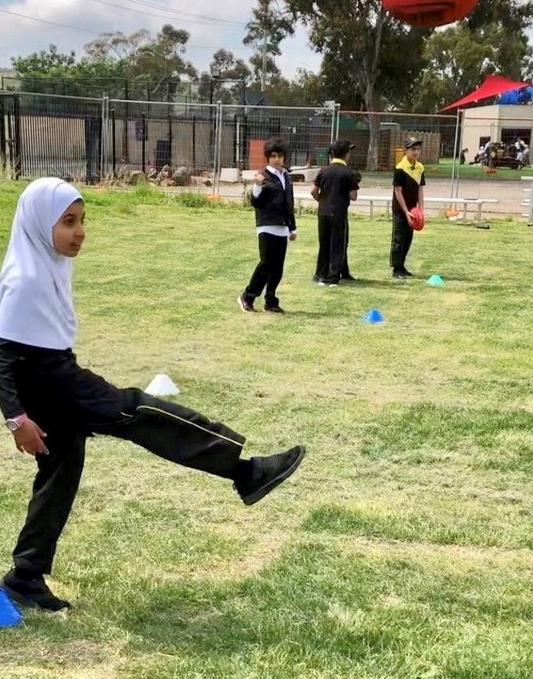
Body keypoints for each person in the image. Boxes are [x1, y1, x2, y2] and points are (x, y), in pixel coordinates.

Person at [0, 178, 305, 612]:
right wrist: (16, 419)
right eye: (67, 222)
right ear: (37, 223)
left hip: (53, 379)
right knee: (141, 412)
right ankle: (245, 472)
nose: (80, 231)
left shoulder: (43, 264)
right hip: (54, 386)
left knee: (60, 475)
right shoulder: (24, 278)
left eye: (82, 220)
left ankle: (25, 575)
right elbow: (3, 356)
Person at [238, 137, 296, 313]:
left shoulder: (286, 176)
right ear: (268, 157)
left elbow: (289, 203)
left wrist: (292, 228)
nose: (277, 159)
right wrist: (257, 185)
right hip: (266, 225)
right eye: (273, 156)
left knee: (277, 267)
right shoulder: (263, 175)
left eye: (280, 156)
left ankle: (271, 300)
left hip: (282, 226)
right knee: (266, 264)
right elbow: (256, 202)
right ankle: (248, 296)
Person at [311, 140, 360, 286]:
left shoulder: (323, 171)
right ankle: (333, 276)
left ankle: (321, 274)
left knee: (324, 243)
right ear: (346, 154)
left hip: (323, 212)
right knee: (338, 243)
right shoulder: (348, 172)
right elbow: (354, 196)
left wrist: (322, 200)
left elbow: (313, 191)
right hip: (338, 213)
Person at [390, 137, 425, 279]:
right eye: (413, 149)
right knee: (399, 238)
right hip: (400, 209)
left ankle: (402, 266)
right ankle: (396, 268)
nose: (416, 152)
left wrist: (420, 211)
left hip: (413, 209)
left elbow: (420, 190)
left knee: (408, 238)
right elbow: (398, 191)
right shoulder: (400, 168)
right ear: (406, 150)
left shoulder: (420, 168)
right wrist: (405, 211)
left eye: (418, 149)